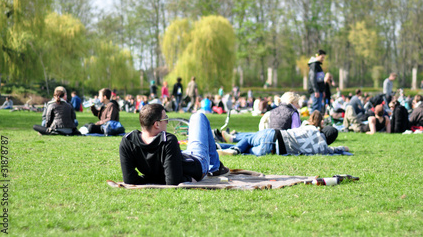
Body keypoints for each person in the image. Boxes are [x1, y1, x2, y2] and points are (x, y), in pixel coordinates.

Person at [119, 104, 228, 185]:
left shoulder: (127, 141)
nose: (167, 122)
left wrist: (149, 178)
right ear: (156, 124)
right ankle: (214, 167)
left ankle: (216, 166)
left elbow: (130, 180)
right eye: (165, 119)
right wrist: (188, 179)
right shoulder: (167, 141)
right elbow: (172, 181)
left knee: (185, 150)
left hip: (180, 158)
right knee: (198, 116)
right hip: (197, 162)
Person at [218, 110, 348, 156]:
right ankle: (229, 148)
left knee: (249, 139)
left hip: (274, 135)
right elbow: (333, 150)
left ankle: (233, 147)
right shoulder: (323, 149)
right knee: (247, 150)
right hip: (274, 150)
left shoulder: (311, 128)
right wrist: (342, 148)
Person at [308, 49, 326, 113]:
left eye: (324, 57)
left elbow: (320, 80)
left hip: (319, 90)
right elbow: (312, 78)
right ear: (317, 56)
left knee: (318, 108)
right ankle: (312, 122)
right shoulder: (314, 65)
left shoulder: (318, 65)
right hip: (316, 91)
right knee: (315, 108)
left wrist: (322, 90)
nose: (323, 59)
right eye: (322, 57)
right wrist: (316, 90)